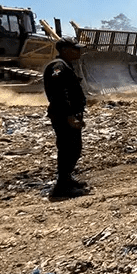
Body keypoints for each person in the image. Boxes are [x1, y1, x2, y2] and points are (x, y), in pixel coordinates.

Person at [43, 37, 89, 199]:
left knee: (74, 148)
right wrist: (69, 115)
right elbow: (59, 94)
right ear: (64, 50)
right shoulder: (58, 67)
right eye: (75, 48)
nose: (78, 51)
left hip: (69, 115)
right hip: (63, 115)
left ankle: (67, 179)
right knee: (67, 149)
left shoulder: (66, 66)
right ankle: (61, 188)